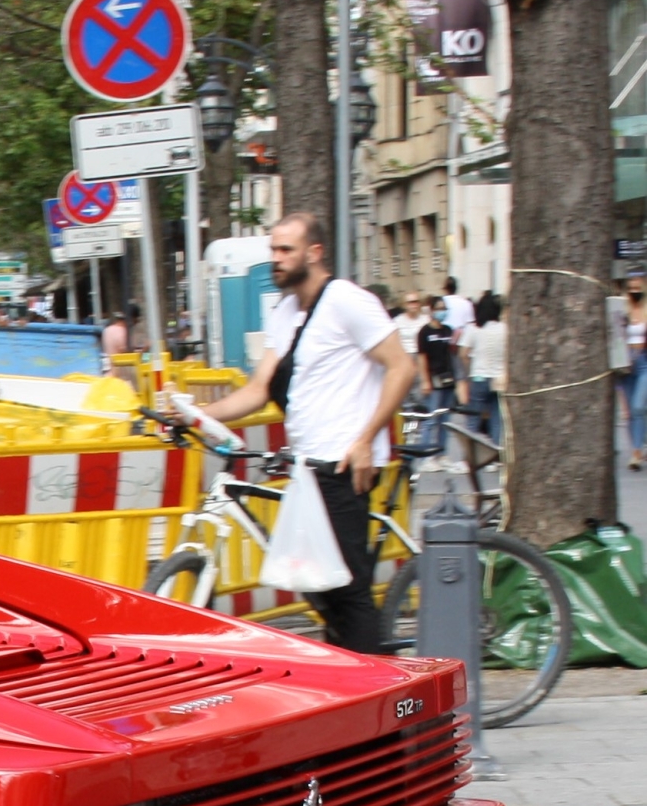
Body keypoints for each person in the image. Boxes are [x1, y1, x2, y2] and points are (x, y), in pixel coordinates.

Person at [187, 211, 416, 654]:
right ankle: (357, 685)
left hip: (344, 464)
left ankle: (386, 707)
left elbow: (402, 366)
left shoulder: (346, 301)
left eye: (285, 250)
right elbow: (257, 390)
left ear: (315, 253)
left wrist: (367, 438)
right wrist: (197, 415)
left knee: (347, 594)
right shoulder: (287, 312)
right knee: (319, 588)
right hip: (308, 469)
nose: (276, 258)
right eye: (272, 249)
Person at [462, 291, 507, 440]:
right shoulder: (505, 329)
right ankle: (496, 455)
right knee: (497, 420)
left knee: (473, 419)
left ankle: (470, 456)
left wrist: (470, 369)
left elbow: (463, 353)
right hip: (498, 378)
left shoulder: (474, 329)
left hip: (479, 376)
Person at [621, 271, 647, 470]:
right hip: (625, 363)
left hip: (643, 361)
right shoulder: (622, 309)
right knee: (630, 412)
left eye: (638, 288)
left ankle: (638, 448)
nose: (634, 292)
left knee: (639, 406)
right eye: (631, 289)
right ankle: (636, 452)